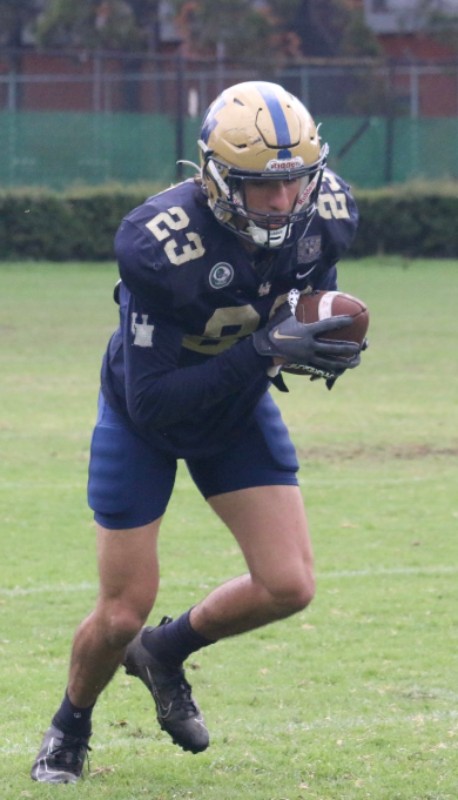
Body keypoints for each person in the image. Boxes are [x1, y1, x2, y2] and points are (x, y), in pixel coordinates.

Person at [31, 80, 364, 784]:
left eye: (295, 181)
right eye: (260, 185)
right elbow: (156, 404)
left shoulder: (326, 211)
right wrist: (266, 349)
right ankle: (70, 724)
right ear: (215, 178)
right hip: (143, 415)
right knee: (122, 612)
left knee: (289, 584)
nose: (283, 201)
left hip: (236, 407)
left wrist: (321, 337)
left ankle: (165, 652)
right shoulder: (160, 242)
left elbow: (309, 288)